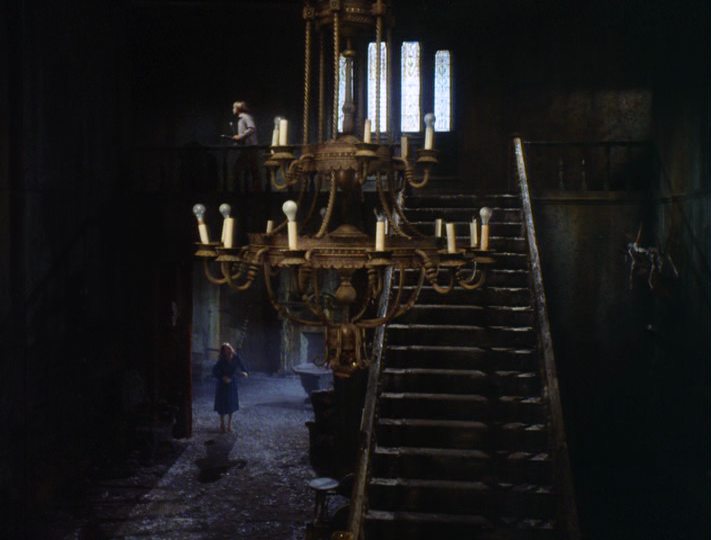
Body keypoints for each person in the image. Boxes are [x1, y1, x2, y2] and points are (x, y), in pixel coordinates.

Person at [212, 342, 249, 433]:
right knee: (222, 405)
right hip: (222, 384)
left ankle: (229, 424)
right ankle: (222, 423)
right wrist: (222, 377)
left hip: (232, 383)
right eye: (225, 350)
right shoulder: (222, 360)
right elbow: (214, 370)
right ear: (223, 352)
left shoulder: (236, 358)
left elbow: (243, 367)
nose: (228, 351)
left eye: (229, 348)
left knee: (231, 404)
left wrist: (244, 372)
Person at [231, 101, 262, 192]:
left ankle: (255, 191)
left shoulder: (245, 117)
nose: (233, 109)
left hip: (250, 148)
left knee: (252, 170)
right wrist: (239, 140)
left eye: (234, 107)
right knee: (250, 169)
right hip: (246, 148)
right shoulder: (242, 118)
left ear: (238, 108)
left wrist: (241, 136)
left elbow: (252, 128)